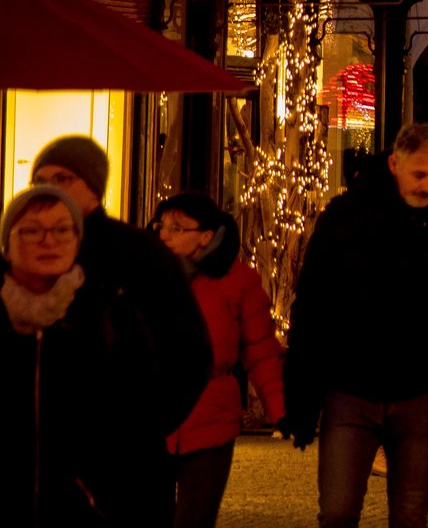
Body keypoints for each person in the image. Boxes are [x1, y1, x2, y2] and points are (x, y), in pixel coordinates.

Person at [281, 122, 428, 527]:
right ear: (395, 164)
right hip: (351, 389)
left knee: (411, 514)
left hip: (422, 390)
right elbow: (312, 307)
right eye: (420, 174)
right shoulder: (347, 218)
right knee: (337, 511)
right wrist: (301, 401)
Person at [5, 184, 180, 525]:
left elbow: (140, 426)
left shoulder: (110, 314)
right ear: (7, 243)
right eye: (31, 230)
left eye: (61, 229)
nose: (47, 240)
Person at [32, 136, 211, 438]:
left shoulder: (137, 252)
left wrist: (144, 428)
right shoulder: (27, 249)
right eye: (40, 181)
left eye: (63, 178)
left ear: (93, 186)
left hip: (121, 448)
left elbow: (189, 350)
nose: (49, 189)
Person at [155, 192, 286, 528]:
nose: (164, 235)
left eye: (176, 228)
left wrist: (280, 409)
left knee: (194, 518)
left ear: (206, 236)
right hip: (151, 416)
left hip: (211, 416)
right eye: (161, 226)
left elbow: (260, 349)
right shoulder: (146, 275)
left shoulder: (238, 281)